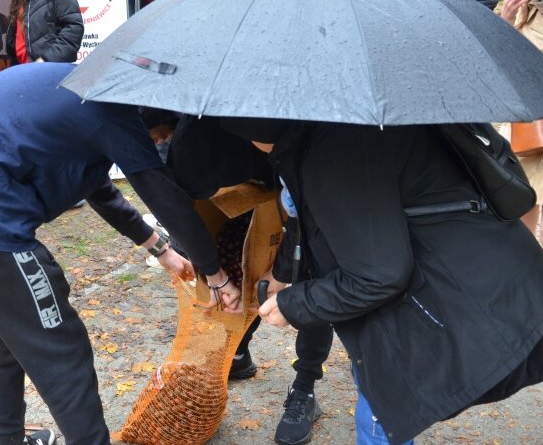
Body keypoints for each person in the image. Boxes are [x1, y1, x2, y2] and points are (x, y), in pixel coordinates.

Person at [0, 62, 241, 445]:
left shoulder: (80, 86)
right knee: (63, 352)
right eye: (159, 136)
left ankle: (8, 441)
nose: (158, 142)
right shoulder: (114, 113)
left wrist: (158, 247)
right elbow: (161, 193)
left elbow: (97, 185)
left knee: (2, 346)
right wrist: (215, 273)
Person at [221, 118, 543, 444]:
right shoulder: (340, 129)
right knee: (374, 390)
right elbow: (308, 217)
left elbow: (378, 277)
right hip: (469, 274)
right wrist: (283, 271)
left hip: (449, 290)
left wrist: (294, 304)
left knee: (379, 407)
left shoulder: (335, 149)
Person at [142, 110, 333, 445]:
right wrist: (203, 266)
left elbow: (305, 207)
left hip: (307, 192)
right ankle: (238, 351)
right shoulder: (194, 134)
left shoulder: (296, 124)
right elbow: (183, 208)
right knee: (239, 268)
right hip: (253, 189)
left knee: (313, 281)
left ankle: (304, 387)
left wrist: (284, 269)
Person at [501, 0, 543, 242]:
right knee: (525, 198)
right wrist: (505, 18)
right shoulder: (523, 9)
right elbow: (496, 62)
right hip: (529, 128)